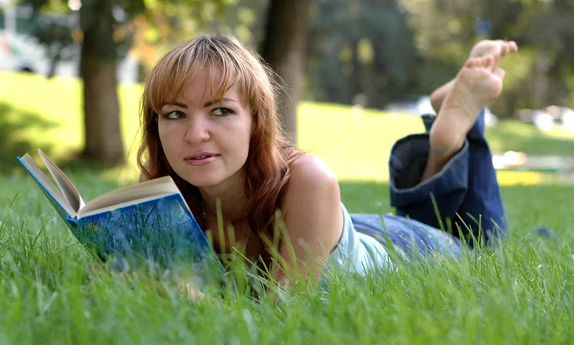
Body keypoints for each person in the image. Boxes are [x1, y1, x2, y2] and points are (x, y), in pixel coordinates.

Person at [137, 35, 518, 285]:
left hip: (405, 251)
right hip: (340, 231)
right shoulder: (157, 199)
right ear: (156, 126)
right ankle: (444, 143)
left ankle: (457, 134)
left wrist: (190, 298)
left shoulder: (308, 179)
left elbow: (280, 314)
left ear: (258, 120)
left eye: (220, 111)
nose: (195, 133)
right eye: (175, 114)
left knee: (481, 246)